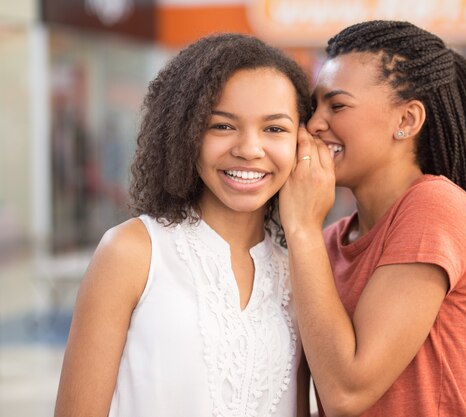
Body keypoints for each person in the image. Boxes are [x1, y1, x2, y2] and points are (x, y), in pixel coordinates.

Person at [54, 33, 312, 417]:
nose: (249, 148)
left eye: (274, 129)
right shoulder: (132, 251)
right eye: (222, 126)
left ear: (301, 143)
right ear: (186, 133)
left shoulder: (300, 273)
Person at [279, 20, 466, 417]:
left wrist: (301, 228)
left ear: (406, 121)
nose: (315, 124)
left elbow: (346, 393)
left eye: (337, 105)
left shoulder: (434, 205)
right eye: (313, 107)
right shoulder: (330, 241)